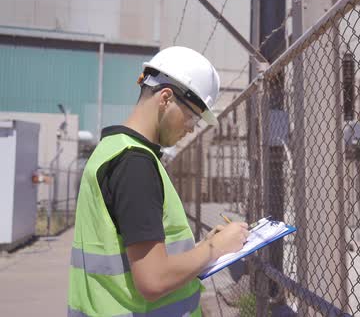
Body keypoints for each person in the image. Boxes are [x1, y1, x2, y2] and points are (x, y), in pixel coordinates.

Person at [68, 46, 249, 316]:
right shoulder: (134, 164)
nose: (191, 128)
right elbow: (153, 280)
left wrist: (200, 248)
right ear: (165, 98)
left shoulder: (112, 149)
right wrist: (215, 248)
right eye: (192, 116)